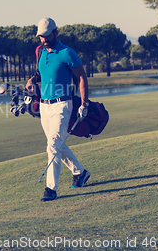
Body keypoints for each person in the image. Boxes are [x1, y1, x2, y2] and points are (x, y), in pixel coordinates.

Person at [26, 17, 90, 202]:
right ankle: (80, 173)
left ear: (55, 32)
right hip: (44, 107)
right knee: (56, 145)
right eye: (40, 36)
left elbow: (82, 78)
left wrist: (84, 103)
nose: (44, 39)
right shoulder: (40, 52)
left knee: (53, 145)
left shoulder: (67, 53)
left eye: (47, 35)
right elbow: (41, 73)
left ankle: (50, 189)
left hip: (62, 105)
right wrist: (32, 80)